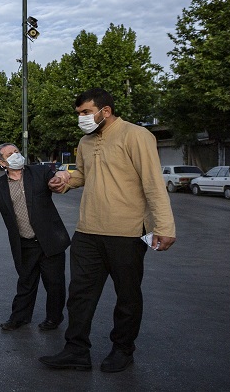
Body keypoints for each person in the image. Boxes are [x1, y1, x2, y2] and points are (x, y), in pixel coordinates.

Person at [40, 88, 176, 373]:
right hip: (88, 230)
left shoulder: (137, 136)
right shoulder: (85, 142)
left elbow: (153, 183)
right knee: (79, 295)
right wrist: (64, 180)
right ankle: (76, 350)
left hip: (126, 232)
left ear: (106, 111)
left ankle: (123, 349)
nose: (82, 118)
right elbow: (84, 175)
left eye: (86, 112)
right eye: (79, 114)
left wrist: (164, 226)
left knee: (127, 296)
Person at [0, 142, 71, 332]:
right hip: (25, 244)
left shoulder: (40, 173)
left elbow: (59, 181)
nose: (16, 155)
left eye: (16, 151)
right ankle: (20, 318)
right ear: (2, 162)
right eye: (10, 154)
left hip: (50, 240)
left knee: (55, 284)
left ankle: (53, 318)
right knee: (26, 283)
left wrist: (61, 178)